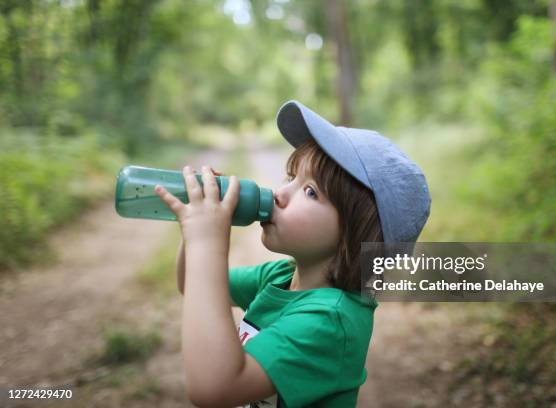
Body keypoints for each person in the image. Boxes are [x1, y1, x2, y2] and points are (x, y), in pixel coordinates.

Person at [155, 100, 431, 407]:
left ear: (356, 233)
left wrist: (208, 242)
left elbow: (214, 387)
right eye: (290, 177)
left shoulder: (330, 321)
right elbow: (189, 283)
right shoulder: (280, 276)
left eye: (310, 191)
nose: (279, 193)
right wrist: (194, 229)